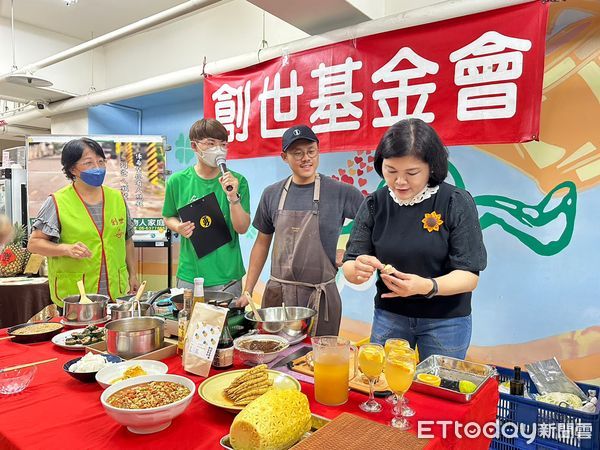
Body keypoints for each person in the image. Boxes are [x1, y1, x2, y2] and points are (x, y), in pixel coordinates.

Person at [342, 119, 487, 361]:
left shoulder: (455, 202)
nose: (400, 182)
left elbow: (469, 276)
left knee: (440, 390)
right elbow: (350, 261)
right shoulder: (374, 204)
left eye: (412, 173)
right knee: (385, 388)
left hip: (446, 321)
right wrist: (355, 269)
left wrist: (426, 287)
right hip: (390, 317)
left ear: (432, 167)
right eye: (391, 171)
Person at [238, 125, 364, 336]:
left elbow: (370, 225)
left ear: (318, 151)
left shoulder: (341, 192)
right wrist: (248, 290)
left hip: (321, 296)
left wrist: (352, 254)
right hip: (279, 296)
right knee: (275, 356)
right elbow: (261, 243)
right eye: (297, 153)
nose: (306, 158)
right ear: (284, 157)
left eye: (311, 151)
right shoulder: (272, 194)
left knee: (318, 360)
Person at [28, 138, 139, 308]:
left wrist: (133, 275)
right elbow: (34, 244)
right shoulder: (57, 202)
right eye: (88, 162)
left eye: (101, 161)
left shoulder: (117, 198)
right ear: (73, 169)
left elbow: (127, 240)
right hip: (76, 298)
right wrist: (65, 249)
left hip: (115, 294)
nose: (97, 167)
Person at [162, 118, 250, 296]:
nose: (218, 149)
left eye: (223, 144)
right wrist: (178, 226)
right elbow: (168, 216)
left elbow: (242, 228)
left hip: (228, 276)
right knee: (187, 323)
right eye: (211, 143)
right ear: (194, 146)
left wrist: (233, 197)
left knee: (227, 323)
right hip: (190, 275)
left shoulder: (237, 181)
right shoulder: (177, 181)